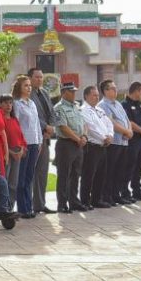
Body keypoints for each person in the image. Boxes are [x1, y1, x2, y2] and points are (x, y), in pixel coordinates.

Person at [53, 81, 87, 213]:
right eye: (71, 91)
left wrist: (84, 136)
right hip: (66, 144)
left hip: (78, 144)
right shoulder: (58, 108)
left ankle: (74, 201)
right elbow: (63, 127)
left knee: (76, 174)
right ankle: (62, 204)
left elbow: (84, 123)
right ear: (63, 92)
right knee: (64, 175)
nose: (74, 94)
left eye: (74, 91)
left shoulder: (77, 106)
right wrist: (78, 139)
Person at [99, 80, 134, 206]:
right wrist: (126, 131)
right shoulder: (103, 105)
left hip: (123, 142)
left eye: (115, 88)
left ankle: (116, 194)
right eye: (112, 88)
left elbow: (126, 119)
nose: (115, 90)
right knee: (110, 170)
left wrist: (129, 130)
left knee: (120, 170)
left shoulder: (118, 104)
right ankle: (107, 196)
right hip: (113, 143)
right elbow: (111, 122)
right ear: (105, 91)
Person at [11, 75, 41, 218]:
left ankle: (28, 206)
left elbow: (36, 125)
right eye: (26, 86)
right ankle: (22, 208)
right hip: (23, 144)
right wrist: (20, 145)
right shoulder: (17, 104)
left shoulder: (32, 103)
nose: (29, 88)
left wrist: (39, 141)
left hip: (34, 142)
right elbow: (16, 126)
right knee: (21, 177)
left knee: (29, 177)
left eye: (30, 85)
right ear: (19, 88)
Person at [28, 67, 57, 214]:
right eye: (37, 77)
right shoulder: (28, 95)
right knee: (31, 173)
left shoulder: (44, 93)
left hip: (45, 138)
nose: (39, 79)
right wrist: (45, 127)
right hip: (33, 138)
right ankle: (29, 205)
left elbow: (52, 112)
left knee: (42, 172)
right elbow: (32, 116)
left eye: (41, 77)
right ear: (30, 78)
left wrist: (50, 128)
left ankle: (40, 204)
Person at [79, 85, 113, 209]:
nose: (96, 97)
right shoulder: (83, 110)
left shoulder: (99, 110)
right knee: (89, 174)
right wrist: (103, 138)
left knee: (101, 174)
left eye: (98, 95)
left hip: (103, 145)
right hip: (92, 146)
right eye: (94, 95)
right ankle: (85, 200)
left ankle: (97, 199)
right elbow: (91, 127)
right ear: (86, 96)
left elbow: (109, 123)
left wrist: (110, 135)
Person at [122, 82, 141, 201]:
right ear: (136, 91)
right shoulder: (125, 105)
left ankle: (137, 190)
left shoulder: (139, 104)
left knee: (140, 166)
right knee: (129, 166)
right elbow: (129, 122)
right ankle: (124, 191)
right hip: (131, 141)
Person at [0, 93, 25, 212]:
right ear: (0, 104)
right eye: (6, 102)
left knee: (14, 182)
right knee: (5, 182)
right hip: (7, 153)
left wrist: (22, 149)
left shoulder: (14, 120)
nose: (9, 105)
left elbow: (21, 136)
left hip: (18, 153)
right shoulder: (0, 119)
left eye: (10, 103)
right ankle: (2, 208)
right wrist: (10, 152)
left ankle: (10, 207)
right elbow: (0, 139)